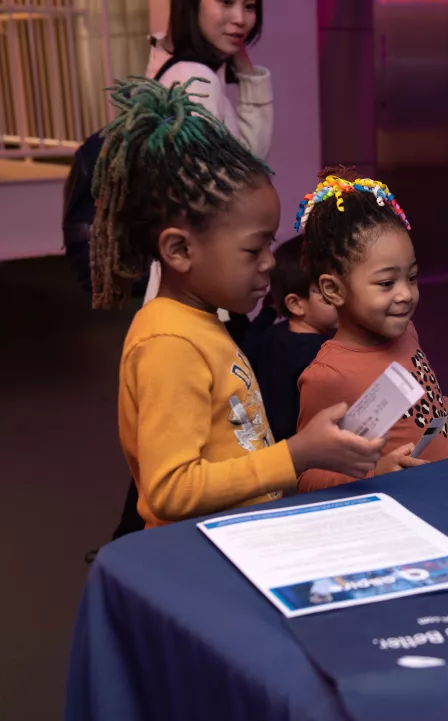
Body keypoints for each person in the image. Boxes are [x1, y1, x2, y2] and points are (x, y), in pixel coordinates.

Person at [90, 80, 384, 527]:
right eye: (253, 250)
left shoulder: (203, 322)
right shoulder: (169, 343)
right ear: (180, 250)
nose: (269, 263)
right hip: (202, 555)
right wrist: (295, 453)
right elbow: (169, 491)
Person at [295, 170, 448, 493]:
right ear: (333, 290)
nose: (406, 294)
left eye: (412, 277)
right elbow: (308, 478)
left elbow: (419, 399)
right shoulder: (329, 376)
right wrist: (375, 475)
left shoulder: (405, 331)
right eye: (386, 283)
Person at [144, 0, 274, 328]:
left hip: (196, 283)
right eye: (226, 2)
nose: (240, 19)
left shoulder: (187, 72)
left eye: (249, 6)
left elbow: (248, 164)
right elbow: (235, 186)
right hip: (204, 287)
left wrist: (245, 71)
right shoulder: (195, 79)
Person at [242, 235, 339, 443]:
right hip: (304, 457)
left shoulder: (272, 333)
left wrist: (268, 311)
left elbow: (247, 346)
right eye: (329, 290)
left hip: (271, 447)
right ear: (295, 304)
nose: (343, 298)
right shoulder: (321, 353)